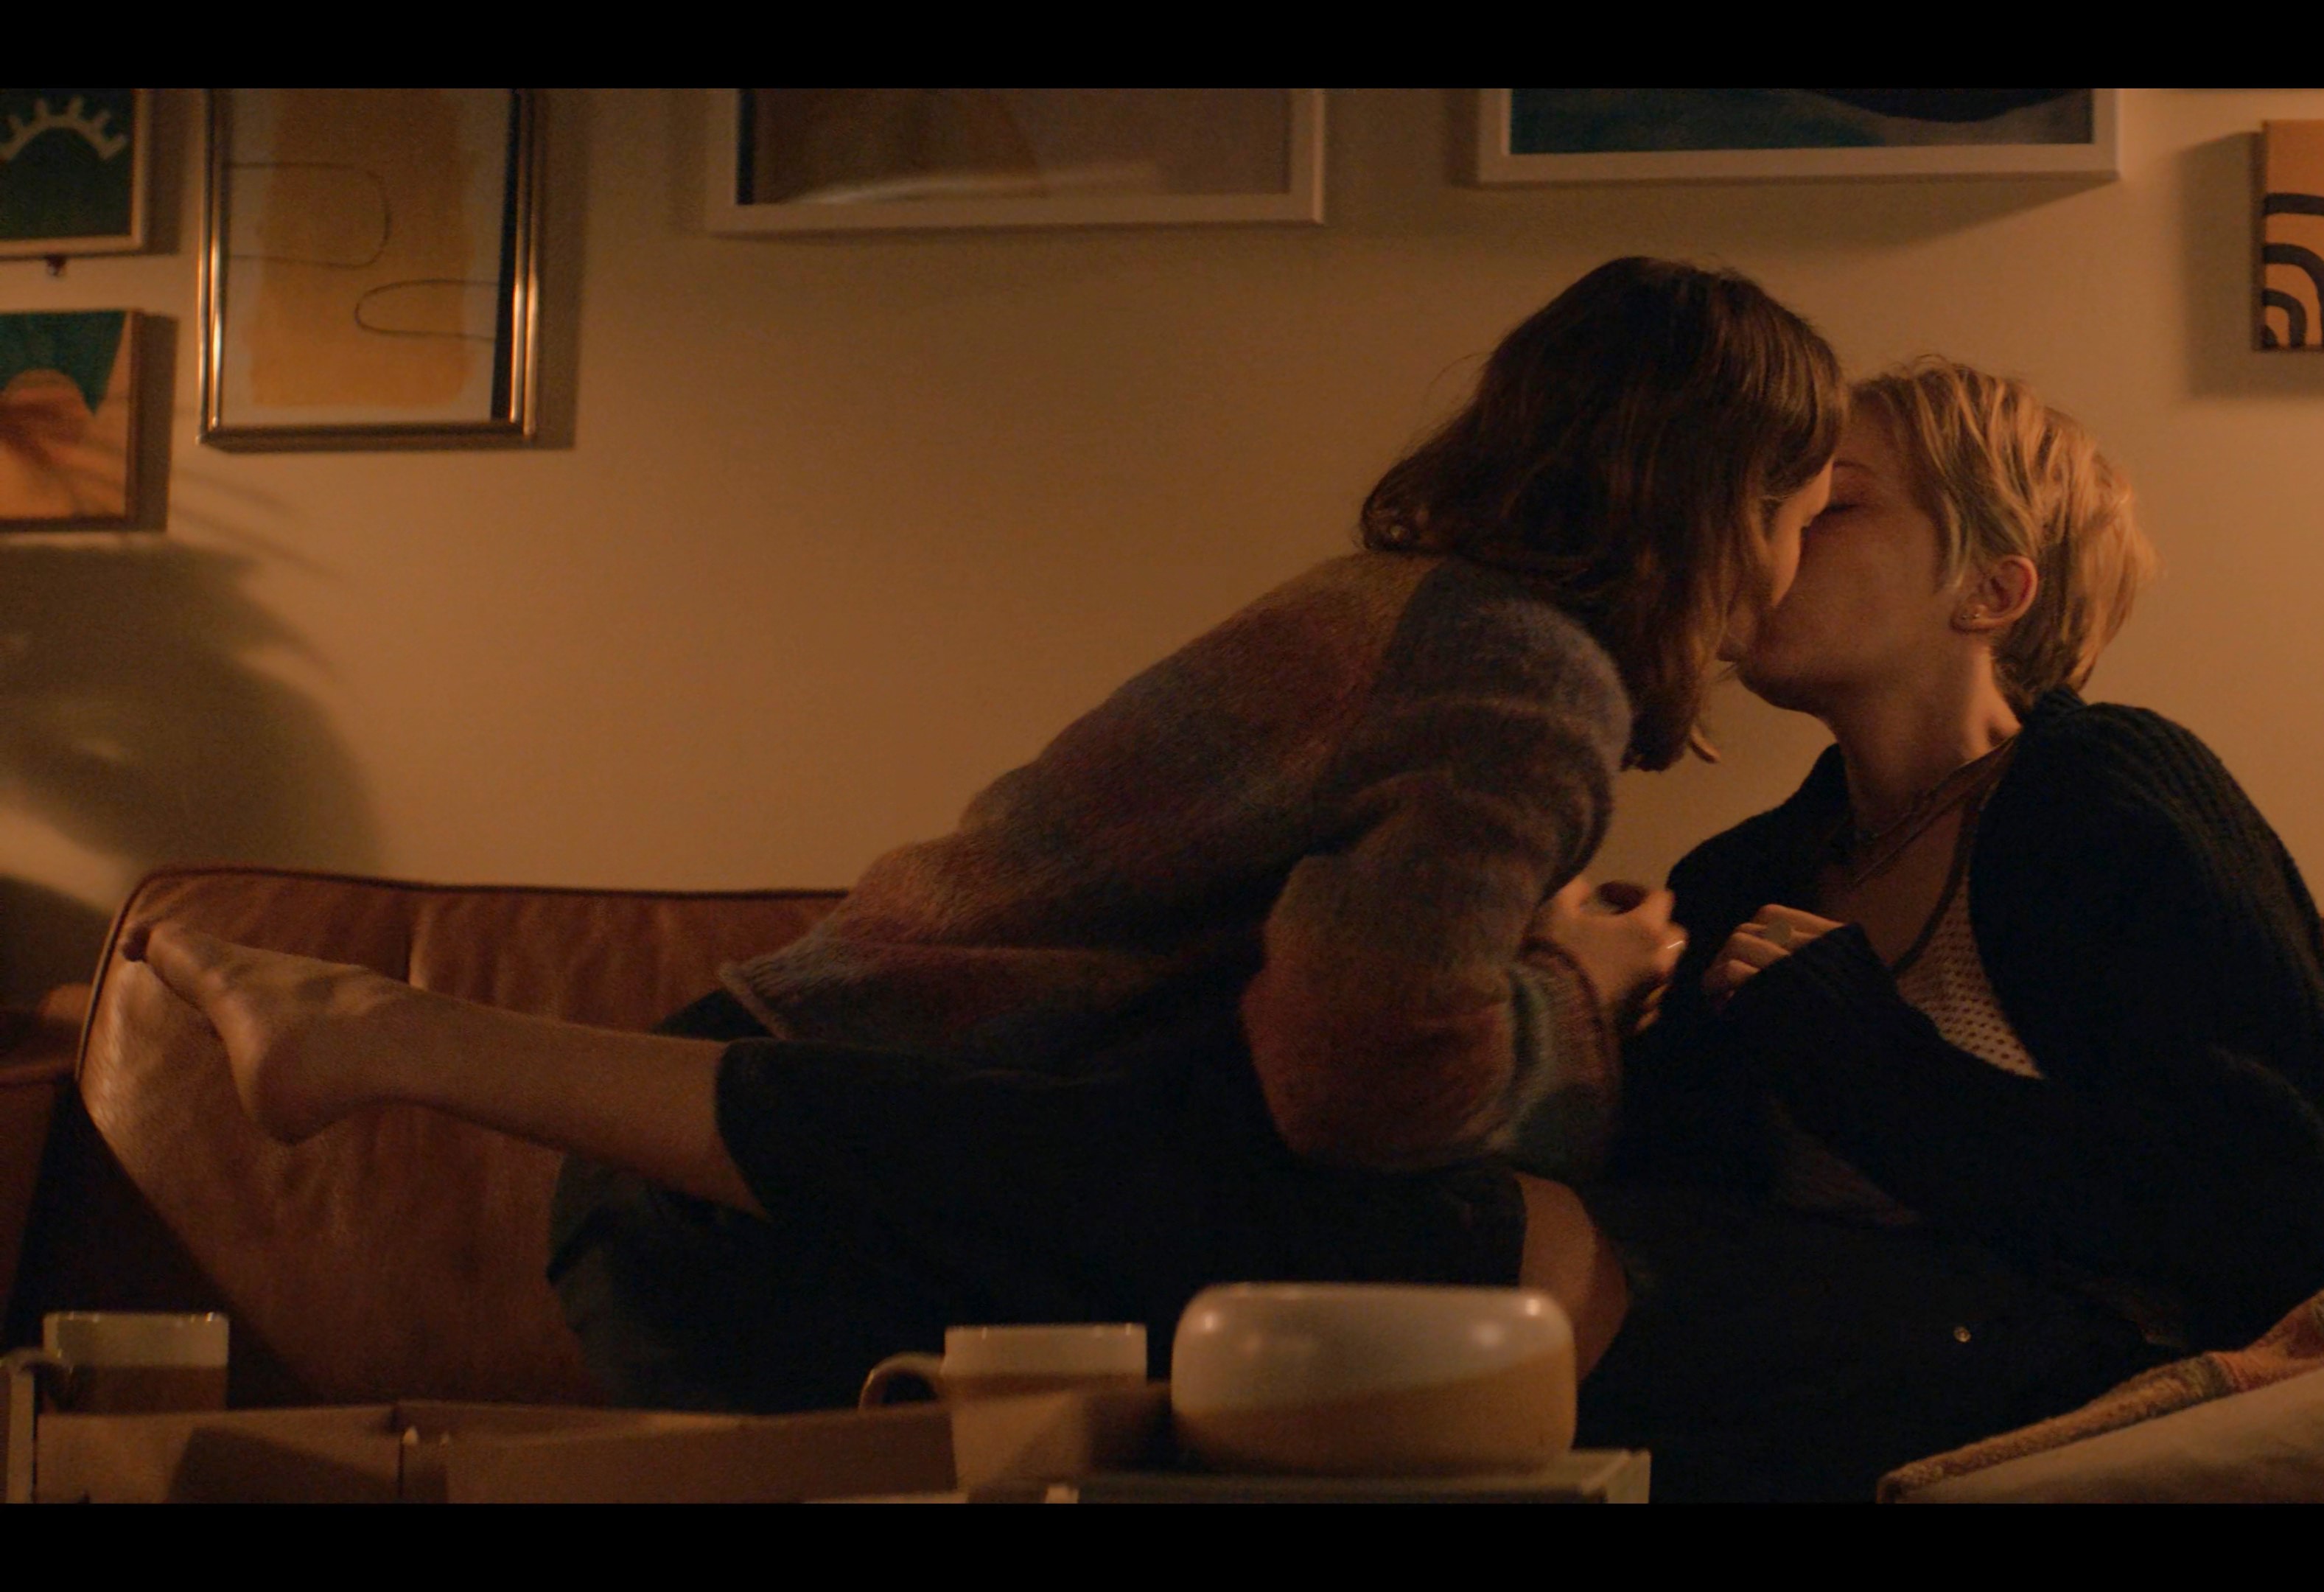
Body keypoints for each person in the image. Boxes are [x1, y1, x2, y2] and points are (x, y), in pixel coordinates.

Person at [122, 256, 1842, 1417]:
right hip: (787, 1214)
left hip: (744, 1184)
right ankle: (401, 1034)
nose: (1793, 564)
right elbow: (1358, 1084)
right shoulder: (1528, 676)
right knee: (1439, 1230)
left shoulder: (1414, 610)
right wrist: (1579, 1003)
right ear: (1724, 500)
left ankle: (403, 1038)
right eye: (1804, 513)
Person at [1572, 357, 2324, 1498]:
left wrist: (1865, 1054)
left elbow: (2295, 1212)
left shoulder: (2106, 792)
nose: (1767, 538)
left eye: (1832, 504)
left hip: (2080, 1383)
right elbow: (1677, 1208)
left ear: (1991, 592)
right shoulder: (1740, 874)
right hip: (1807, 1374)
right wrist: (1580, 1009)